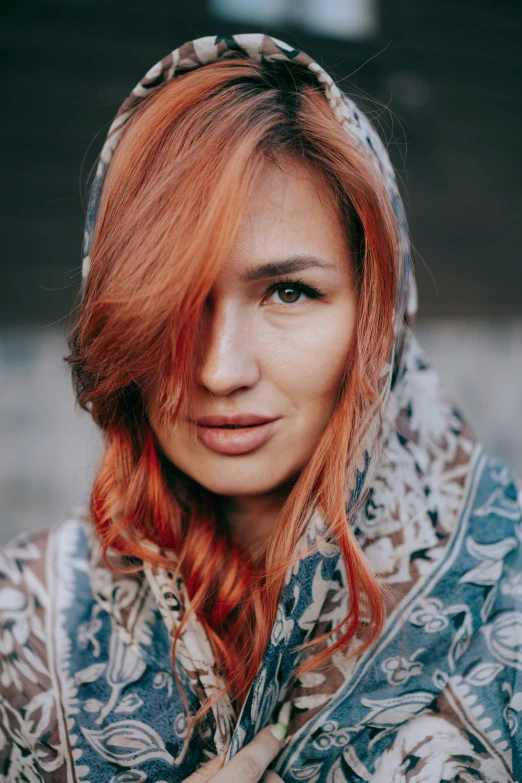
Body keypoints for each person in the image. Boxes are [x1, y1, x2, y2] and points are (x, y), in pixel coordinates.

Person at [1, 33, 521, 783]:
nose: (219, 369)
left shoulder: (504, 604)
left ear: (375, 317)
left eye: (288, 291)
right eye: (177, 300)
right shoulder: (19, 620)